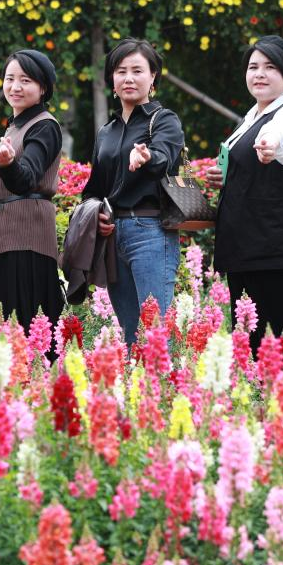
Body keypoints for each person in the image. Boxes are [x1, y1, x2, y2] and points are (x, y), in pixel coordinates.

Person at [208, 35, 283, 373]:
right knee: (253, 345)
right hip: (248, 250)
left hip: (275, 253)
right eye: (253, 66)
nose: (259, 73)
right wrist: (224, 176)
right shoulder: (253, 116)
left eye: (270, 67)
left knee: (281, 346)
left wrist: (272, 144)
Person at [80, 38, 184, 345]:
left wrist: (147, 157)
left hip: (151, 232)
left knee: (155, 333)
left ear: (152, 77)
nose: (128, 78)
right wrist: (95, 212)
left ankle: (162, 378)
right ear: (112, 79)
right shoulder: (106, 132)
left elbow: (165, 157)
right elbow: (95, 188)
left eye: (137, 71)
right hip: (113, 236)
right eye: (121, 71)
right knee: (130, 334)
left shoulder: (163, 120)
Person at [0, 49, 64, 345]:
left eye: (25, 80)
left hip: (25, 242)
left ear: (43, 87)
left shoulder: (44, 126)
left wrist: (8, 164)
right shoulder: (15, 126)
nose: (15, 87)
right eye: (9, 79)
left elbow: (26, 179)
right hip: (3, 239)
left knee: (23, 335)